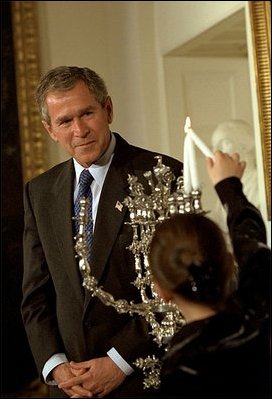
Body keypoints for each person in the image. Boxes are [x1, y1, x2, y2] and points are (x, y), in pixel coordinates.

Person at [21, 66, 182, 398]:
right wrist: (55, 366)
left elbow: (178, 287)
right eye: (65, 121)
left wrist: (118, 362)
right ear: (49, 129)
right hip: (70, 388)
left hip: (141, 379)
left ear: (107, 109)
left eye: (87, 113)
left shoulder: (160, 175)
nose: (79, 130)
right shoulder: (39, 192)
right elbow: (36, 296)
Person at [148, 150, 270, 398]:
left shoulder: (181, 364)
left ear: (160, 289)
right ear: (229, 263)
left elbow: (252, 249)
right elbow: (251, 244)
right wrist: (228, 186)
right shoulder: (257, 310)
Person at [210, 119, 259, 236]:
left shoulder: (259, 182)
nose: (217, 152)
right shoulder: (228, 187)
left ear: (245, 145)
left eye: (224, 143)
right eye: (215, 146)